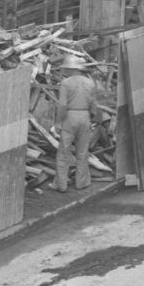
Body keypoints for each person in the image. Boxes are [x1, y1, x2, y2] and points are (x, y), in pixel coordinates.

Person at [50, 54, 99, 193]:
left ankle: (61, 185)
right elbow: (94, 105)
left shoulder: (66, 83)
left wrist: (58, 122)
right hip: (85, 116)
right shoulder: (90, 83)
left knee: (63, 152)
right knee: (83, 152)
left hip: (70, 117)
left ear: (71, 69)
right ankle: (81, 183)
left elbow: (63, 105)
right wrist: (90, 117)